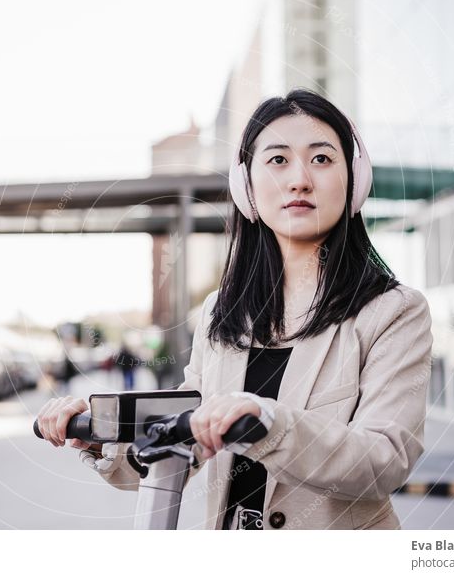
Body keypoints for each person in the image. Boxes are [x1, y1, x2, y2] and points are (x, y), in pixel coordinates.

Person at [35, 88, 433, 530]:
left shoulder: (393, 311)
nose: (299, 179)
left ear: (355, 180)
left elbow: (383, 460)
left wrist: (269, 423)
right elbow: (178, 453)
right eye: (278, 160)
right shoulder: (221, 312)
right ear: (246, 186)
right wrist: (95, 436)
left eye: (321, 159)